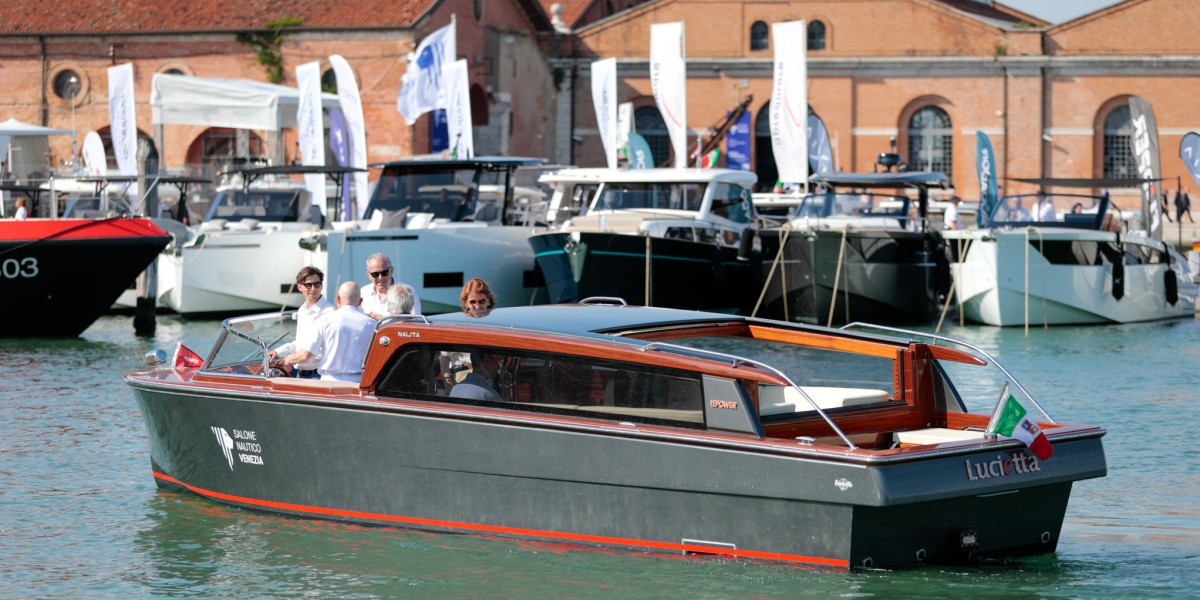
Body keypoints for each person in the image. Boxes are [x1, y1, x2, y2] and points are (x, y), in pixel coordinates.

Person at [279, 281, 376, 382]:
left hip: (329, 382)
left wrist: (288, 360)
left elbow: (306, 354)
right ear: (360, 301)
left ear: (338, 299)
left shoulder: (325, 320)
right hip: (357, 382)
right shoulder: (372, 324)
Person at [268, 266, 334, 379]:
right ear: (299, 287)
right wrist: (277, 352)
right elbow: (301, 344)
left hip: (320, 376)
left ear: (322, 285)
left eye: (317, 284)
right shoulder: (302, 310)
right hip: (301, 374)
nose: (313, 288)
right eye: (308, 285)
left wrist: (289, 360)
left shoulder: (328, 313)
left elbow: (313, 353)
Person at [361, 253, 421, 318]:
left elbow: (414, 321)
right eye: (375, 274)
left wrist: (382, 320)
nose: (380, 278)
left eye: (384, 273)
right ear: (368, 275)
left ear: (391, 271)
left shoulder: (406, 292)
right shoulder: (363, 292)